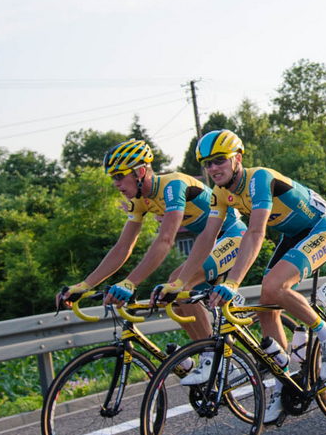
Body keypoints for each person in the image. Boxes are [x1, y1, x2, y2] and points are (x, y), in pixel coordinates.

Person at [157, 129, 326, 420]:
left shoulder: (258, 178)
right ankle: (285, 384)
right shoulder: (220, 194)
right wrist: (180, 282)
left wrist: (232, 282)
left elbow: (256, 231)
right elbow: (207, 238)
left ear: (238, 158)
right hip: (292, 237)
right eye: (207, 164)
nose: (213, 169)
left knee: (274, 285)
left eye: (219, 160)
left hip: (320, 229)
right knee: (266, 304)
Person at [56, 139, 246, 341]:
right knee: (169, 298)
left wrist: (130, 283)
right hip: (209, 243)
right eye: (113, 178)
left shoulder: (173, 186)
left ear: (139, 172)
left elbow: (165, 240)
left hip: (233, 235)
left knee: (178, 282)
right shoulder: (138, 201)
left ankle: (210, 354)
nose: (116, 183)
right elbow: (122, 248)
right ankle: (202, 356)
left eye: (120, 176)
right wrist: (85, 285)